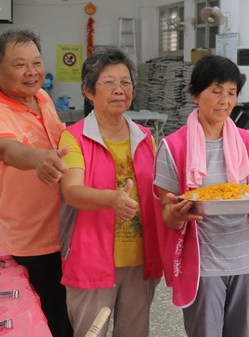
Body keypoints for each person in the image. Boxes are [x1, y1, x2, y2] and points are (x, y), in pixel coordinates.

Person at [154, 55, 249, 337]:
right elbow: (167, 213)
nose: (224, 100)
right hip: (204, 262)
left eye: (231, 93)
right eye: (216, 91)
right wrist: (176, 215)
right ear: (196, 95)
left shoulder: (245, 141)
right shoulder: (174, 147)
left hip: (248, 257)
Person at [0, 29, 73, 337]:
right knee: (49, 322)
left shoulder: (42, 97)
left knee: (72, 315)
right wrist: (38, 159)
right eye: (19, 65)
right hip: (32, 241)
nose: (32, 72)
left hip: (67, 230)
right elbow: (8, 148)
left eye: (36, 63)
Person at [57, 47, 162, 337]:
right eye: (110, 82)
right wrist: (111, 199)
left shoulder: (145, 136)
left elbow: (156, 190)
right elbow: (73, 192)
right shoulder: (74, 136)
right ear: (89, 91)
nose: (120, 90)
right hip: (91, 259)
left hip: (139, 259)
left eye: (126, 82)